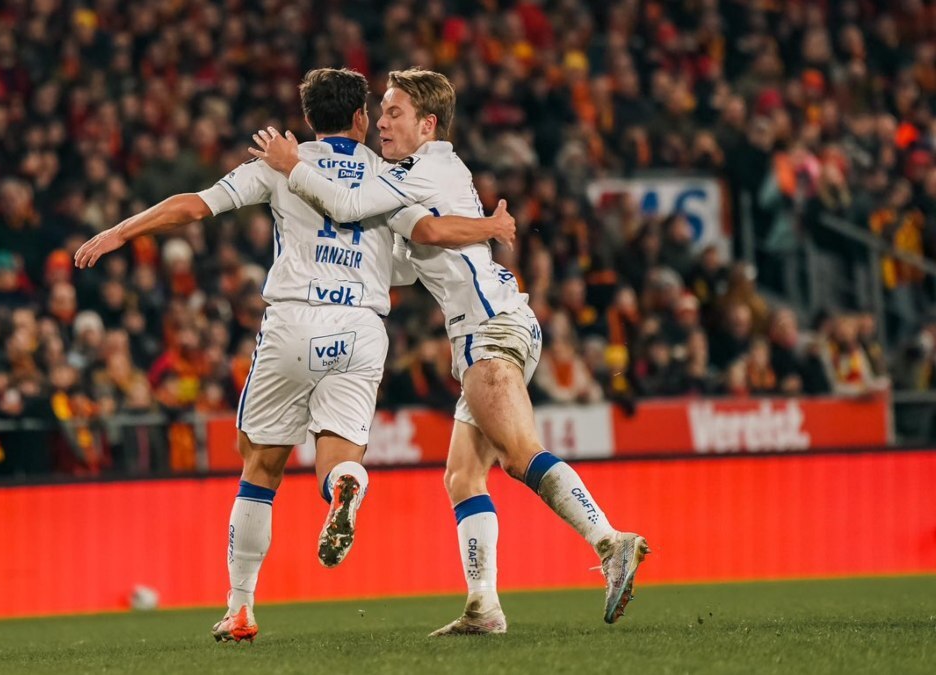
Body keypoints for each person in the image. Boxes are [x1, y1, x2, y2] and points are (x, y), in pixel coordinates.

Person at [74, 68, 514, 643]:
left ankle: (240, 608)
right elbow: (429, 231)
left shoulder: (280, 164)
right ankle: (345, 485)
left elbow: (195, 206)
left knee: (259, 467)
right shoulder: (387, 172)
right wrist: (489, 226)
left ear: (308, 119)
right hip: (361, 326)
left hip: (293, 321)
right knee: (338, 459)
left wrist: (121, 232)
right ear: (359, 118)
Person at [251, 68, 648, 634]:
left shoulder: (423, 167)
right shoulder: (418, 175)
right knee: (463, 476)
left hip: (491, 329)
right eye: (380, 112)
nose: (381, 122)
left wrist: (294, 166)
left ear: (428, 124)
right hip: (486, 330)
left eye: (394, 113)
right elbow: (408, 252)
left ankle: (610, 541)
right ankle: (483, 607)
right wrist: (479, 227)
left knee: (519, 455)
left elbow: (353, 207)